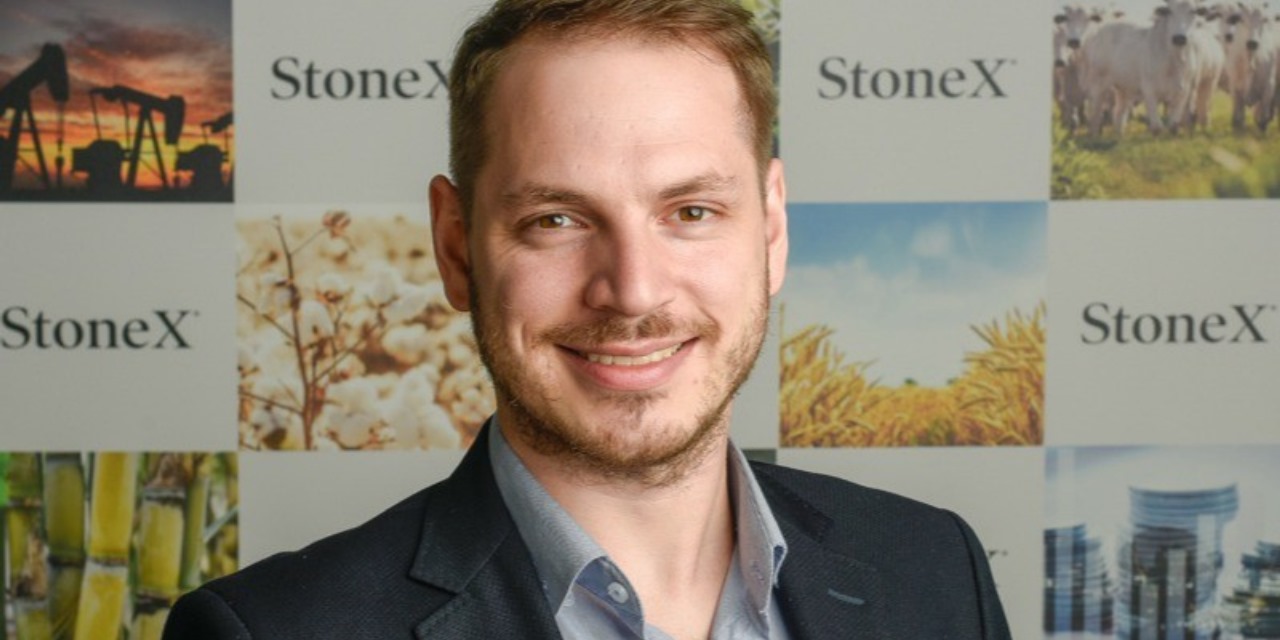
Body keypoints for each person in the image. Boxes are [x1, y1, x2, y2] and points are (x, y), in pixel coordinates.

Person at [164, 1, 1012, 638]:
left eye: (691, 212)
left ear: (773, 229)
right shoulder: (271, 632)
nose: (633, 292)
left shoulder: (936, 571)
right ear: (456, 247)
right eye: (557, 220)